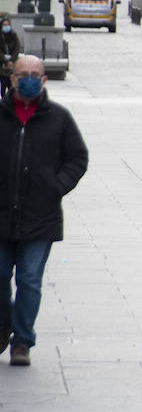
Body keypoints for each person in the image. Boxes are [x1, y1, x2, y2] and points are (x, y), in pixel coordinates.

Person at [1, 55, 89, 366]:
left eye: (35, 74)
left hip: (40, 216)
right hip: (1, 215)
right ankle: (3, 323)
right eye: (23, 73)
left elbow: (78, 158)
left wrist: (55, 186)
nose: (29, 79)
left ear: (43, 80)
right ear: (12, 79)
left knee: (29, 279)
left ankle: (22, 341)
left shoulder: (59, 118)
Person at [0, 19, 21, 97]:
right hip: (2, 63)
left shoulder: (14, 35)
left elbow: (17, 48)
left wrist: (11, 60)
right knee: (3, 84)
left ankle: (10, 100)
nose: (6, 27)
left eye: (7, 25)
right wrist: (5, 61)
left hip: (12, 63)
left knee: (11, 84)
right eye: (4, 25)